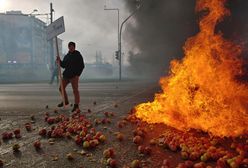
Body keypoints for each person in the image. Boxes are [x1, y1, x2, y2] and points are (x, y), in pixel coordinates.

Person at [56, 42, 85, 112]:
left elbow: (82, 66)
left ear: (74, 47)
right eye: (70, 47)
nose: (71, 48)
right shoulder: (67, 56)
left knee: (75, 90)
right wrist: (59, 61)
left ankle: (76, 105)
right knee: (61, 88)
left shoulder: (78, 55)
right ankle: (65, 101)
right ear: (68, 47)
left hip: (74, 76)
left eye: (72, 47)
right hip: (66, 75)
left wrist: (78, 74)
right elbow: (64, 65)